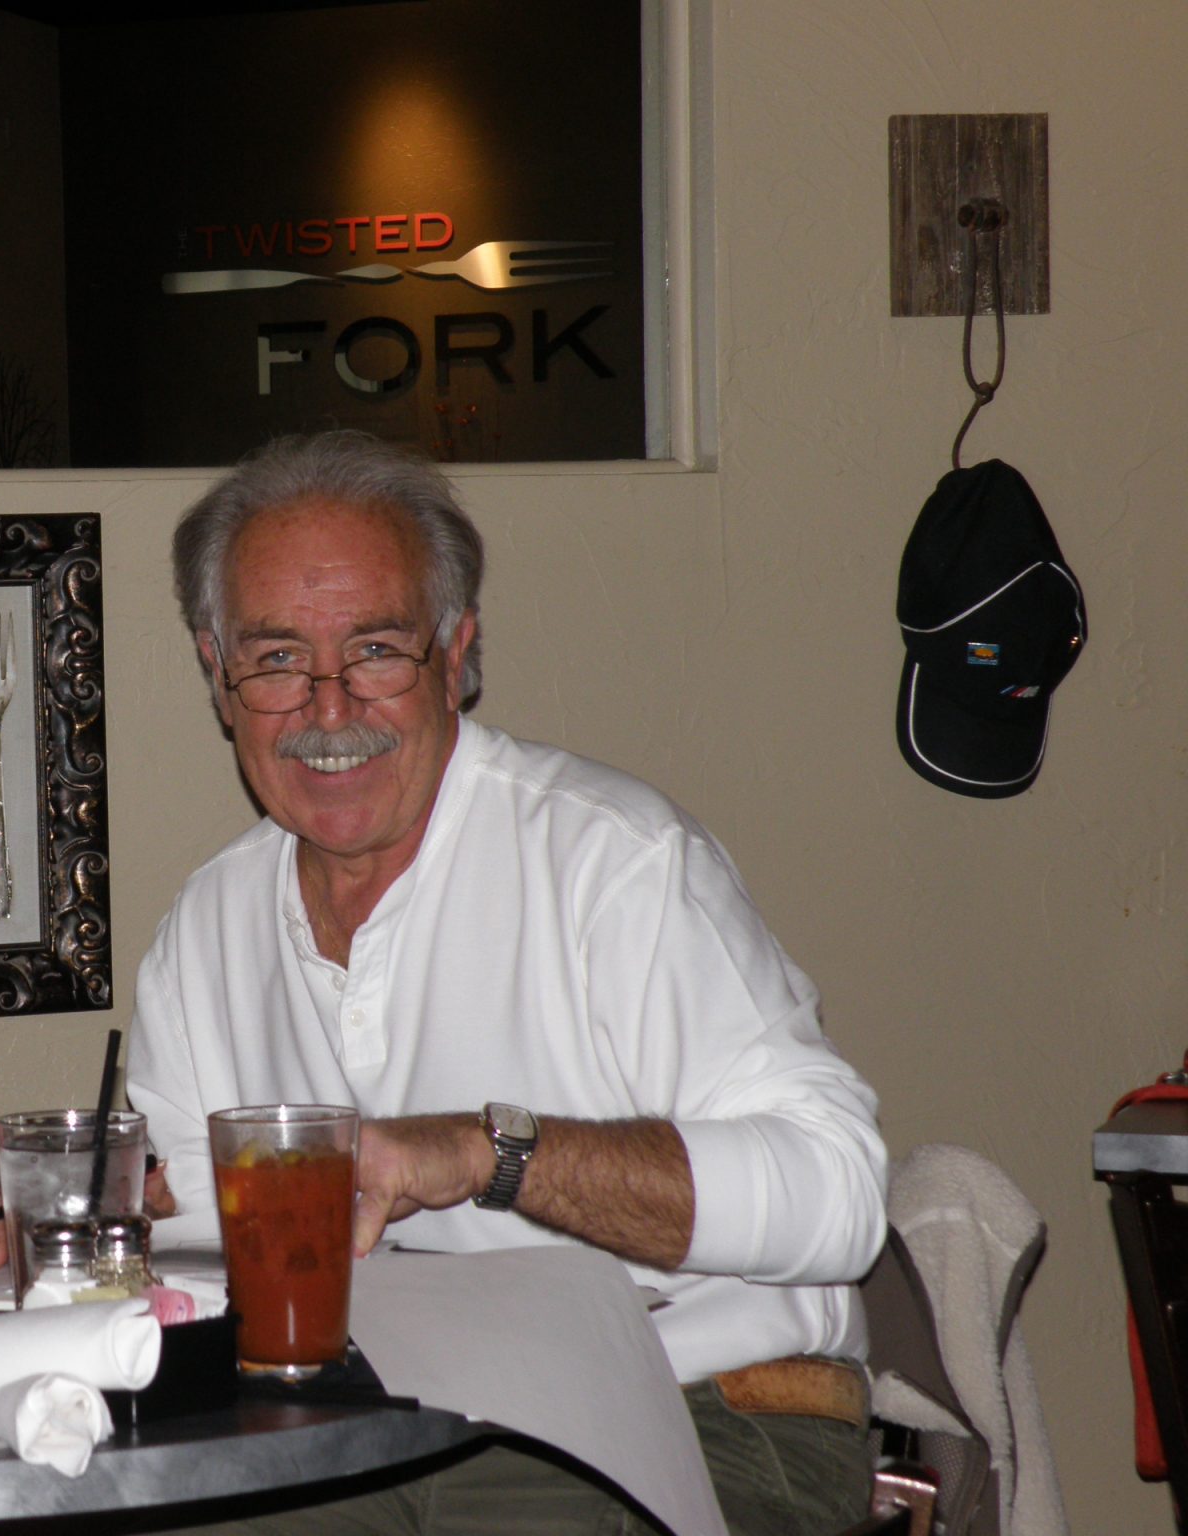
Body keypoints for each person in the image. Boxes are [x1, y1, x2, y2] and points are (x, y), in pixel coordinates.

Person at [129, 431, 886, 1535]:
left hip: (697, 1407)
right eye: (278, 659)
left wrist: (488, 1152)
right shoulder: (204, 931)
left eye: (375, 650)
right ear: (218, 675)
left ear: (456, 654)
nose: (328, 710)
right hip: (361, 1423)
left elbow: (840, 1195)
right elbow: (199, 1243)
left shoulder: (615, 863)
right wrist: (87, 1231)